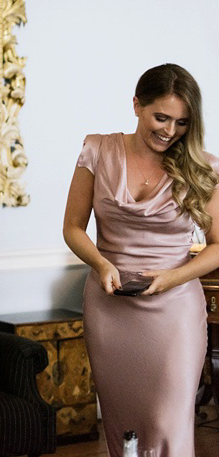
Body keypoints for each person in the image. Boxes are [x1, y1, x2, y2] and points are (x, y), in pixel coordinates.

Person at [62, 63, 219, 457]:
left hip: (174, 312)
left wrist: (173, 277)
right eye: (161, 117)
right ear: (136, 105)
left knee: (167, 423)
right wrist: (101, 265)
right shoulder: (97, 150)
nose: (169, 131)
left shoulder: (203, 167)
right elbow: (73, 228)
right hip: (110, 308)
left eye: (182, 122)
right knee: (123, 423)